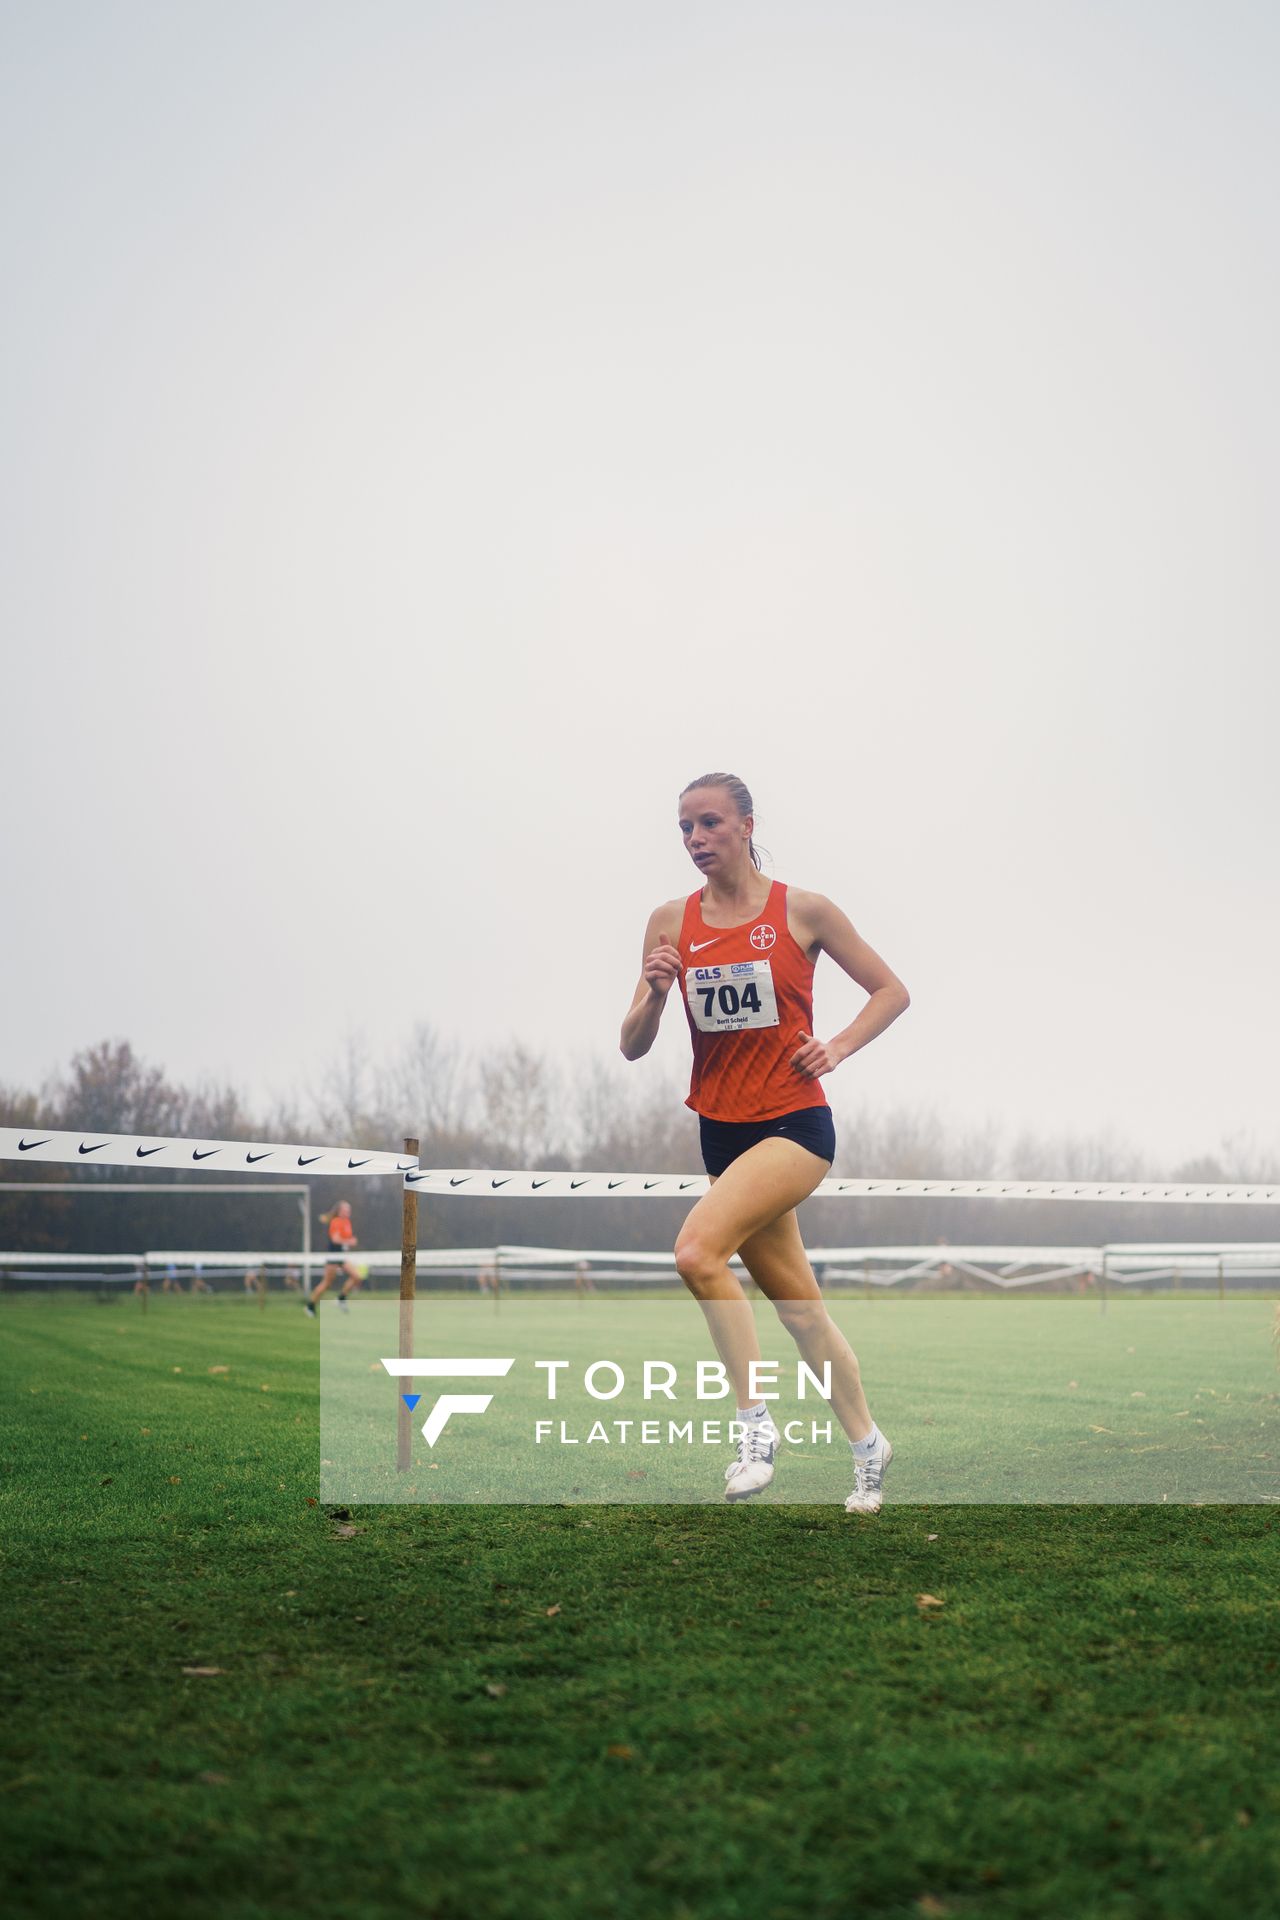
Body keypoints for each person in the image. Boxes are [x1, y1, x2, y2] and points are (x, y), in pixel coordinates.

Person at [620, 772, 910, 1514]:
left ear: (747, 825)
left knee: (696, 1253)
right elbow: (630, 1045)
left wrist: (838, 1046)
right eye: (684, 828)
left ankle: (754, 1430)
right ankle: (867, 1444)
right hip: (722, 1133)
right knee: (801, 1311)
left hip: (794, 1126)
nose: (695, 839)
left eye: (709, 823)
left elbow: (890, 991)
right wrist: (653, 993)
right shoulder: (668, 921)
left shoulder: (802, 910)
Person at [305, 1200, 360, 1316]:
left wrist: (350, 1242)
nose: (348, 1212)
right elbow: (335, 1239)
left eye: (349, 1210)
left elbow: (346, 1239)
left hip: (342, 1256)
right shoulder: (335, 1222)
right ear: (339, 1211)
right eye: (346, 1209)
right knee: (327, 1283)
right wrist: (350, 1241)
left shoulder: (347, 1222)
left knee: (357, 1276)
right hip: (333, 1256)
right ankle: (310, 1306)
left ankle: (341, 1298)